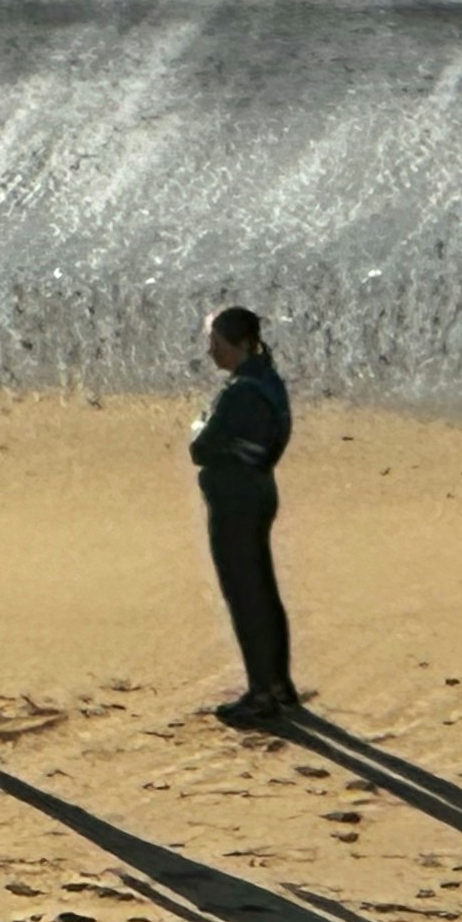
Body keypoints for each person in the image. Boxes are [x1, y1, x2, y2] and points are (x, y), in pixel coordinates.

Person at [191, 304, 296, 726]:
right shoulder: (267, 380)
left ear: (236, 345)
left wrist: (200, 426)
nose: (210, 351)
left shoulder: (241, 392)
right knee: (262, 591)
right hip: (257, 492)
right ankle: (278, 686)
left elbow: (201, 446)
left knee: (245, 594)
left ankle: (262, 692)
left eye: (215, 343)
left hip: (237, 500)